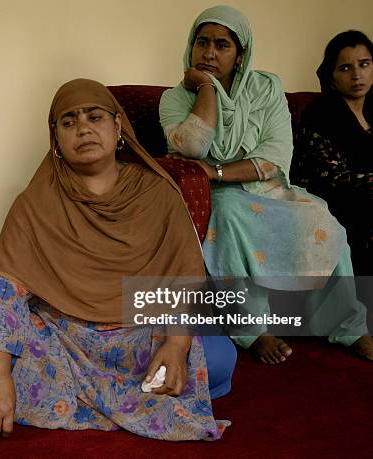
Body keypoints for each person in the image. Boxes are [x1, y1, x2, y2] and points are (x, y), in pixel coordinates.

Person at [0, 78, 236, 441]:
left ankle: (77, 396)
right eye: (69, 122)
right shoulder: (35, 204)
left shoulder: (157, 192)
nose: (84, 129)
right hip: (64, 338)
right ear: (55, 138)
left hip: (140, 333)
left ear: (117, 126)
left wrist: (175, 344)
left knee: (219, 357)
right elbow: (5, 290)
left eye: (95, 117)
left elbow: (184, 280)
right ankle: (135, 400)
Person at [159, 5, 372, 363]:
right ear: (192, 46)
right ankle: (251, 329)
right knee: (227, 215)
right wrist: (208, 90)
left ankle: (347, 326)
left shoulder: (266, 88)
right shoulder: (176, 98)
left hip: (267, 187)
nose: (209, 52)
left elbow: (274, 155)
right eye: (202, 42)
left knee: (324, 219)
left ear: (240, 54)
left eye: (222, 45)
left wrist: (218, 170)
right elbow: (193, 146)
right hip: (219, 196)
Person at [293, 30, 372, 276]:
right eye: (345, 68)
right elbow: (335, 177)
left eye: (364, 64)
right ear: (332, 76)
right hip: (330, 203)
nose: (357, 75)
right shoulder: (321, 113)